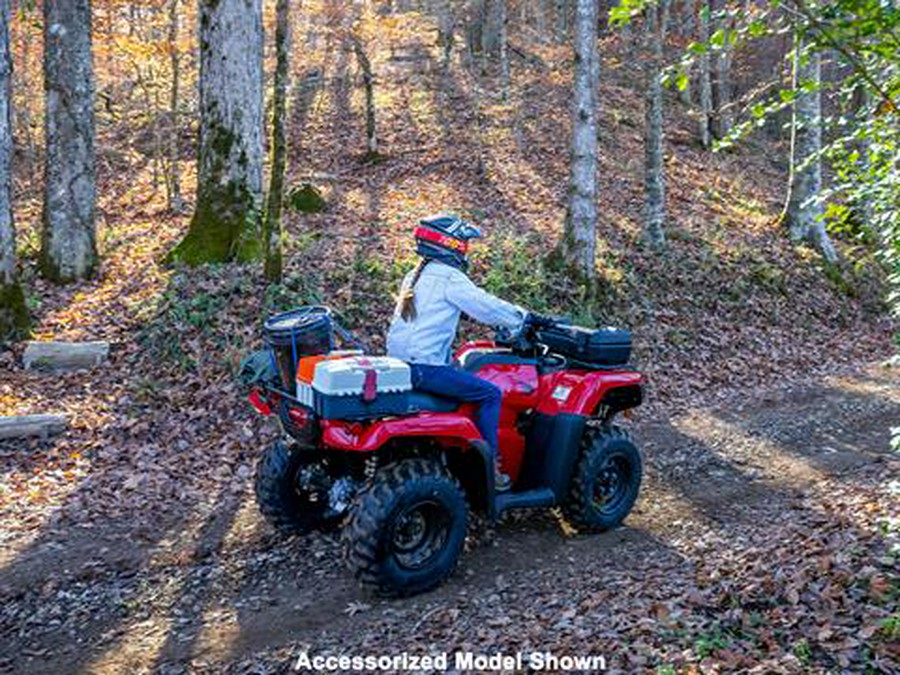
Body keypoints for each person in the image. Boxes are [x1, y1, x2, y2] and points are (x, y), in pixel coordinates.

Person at [387, 214, 527, 491]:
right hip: (425, 369)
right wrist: (523, 317)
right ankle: (491, 465)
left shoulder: (414, 275)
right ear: (450, 244)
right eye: (463, 243)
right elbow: (487, 307)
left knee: (459, 371)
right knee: (491, 393)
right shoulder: (449, 277)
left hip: (401, 365)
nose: (465, 249)